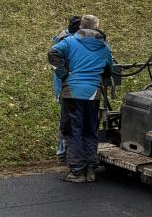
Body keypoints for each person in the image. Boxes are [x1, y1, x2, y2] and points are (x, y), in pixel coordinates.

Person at [49, 14, 115, 183]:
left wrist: (63, 73)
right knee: (90, 130)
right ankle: (91, 168)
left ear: (80, 27)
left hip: (73, 91)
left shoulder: (70, 42)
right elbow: (108, 70)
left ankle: (77, 171)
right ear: (96, 27)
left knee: (74, 130)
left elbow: (53, 53)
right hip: (93, 92)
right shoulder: (104, 46)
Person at [51, 16, 82, 158]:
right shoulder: (68, 41)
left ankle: (65, 150)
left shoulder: (64, 37)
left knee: (67, 119)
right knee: (67, 120)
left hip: (64, 85)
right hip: (67, 86)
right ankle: (63, 151)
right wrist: (66, 75)